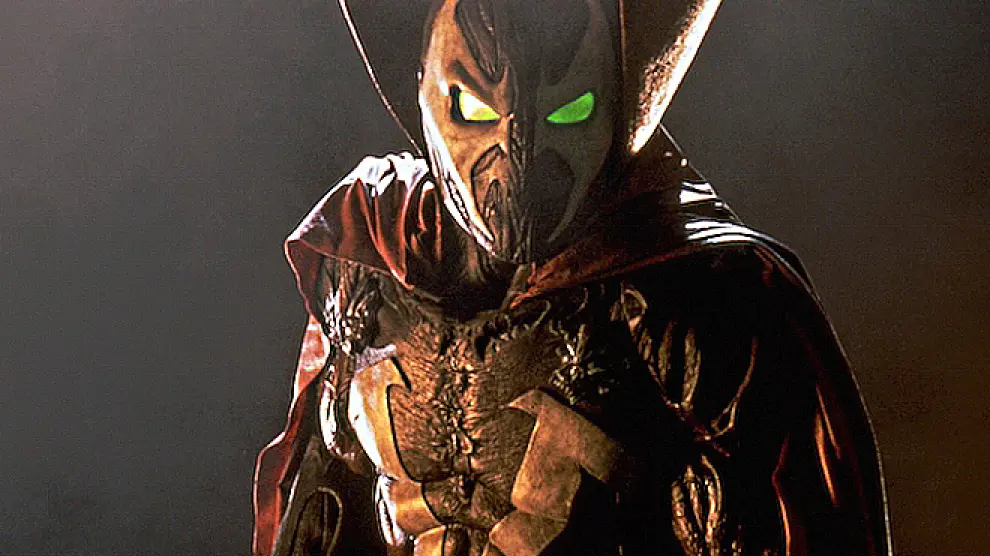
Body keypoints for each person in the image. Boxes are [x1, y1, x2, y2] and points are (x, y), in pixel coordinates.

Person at [253, 1, 891, 554]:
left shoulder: (708, 294)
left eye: (570, 111)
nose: (514, 162)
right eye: (471, 107)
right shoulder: (372, 244)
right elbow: (322, 511)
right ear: (418, 83)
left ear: (622, 104)